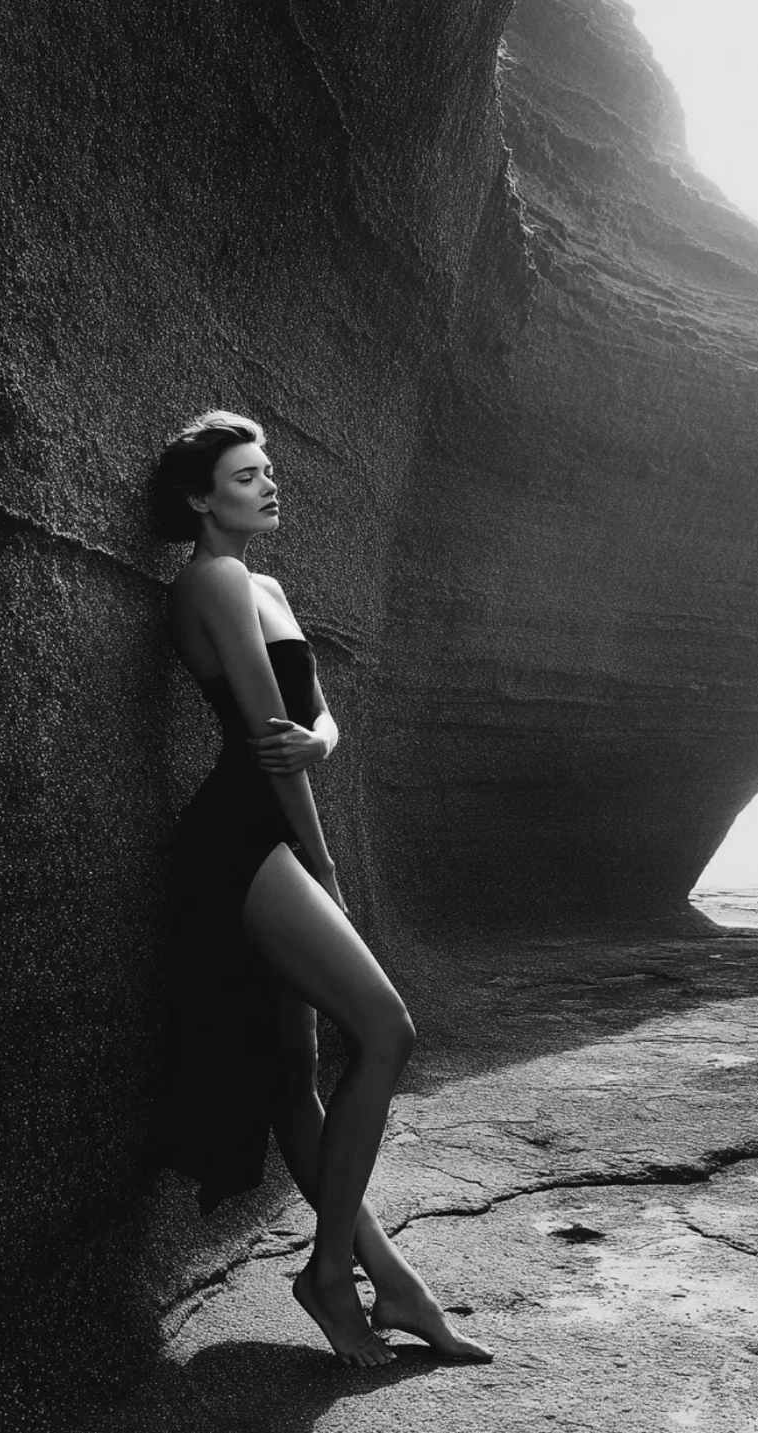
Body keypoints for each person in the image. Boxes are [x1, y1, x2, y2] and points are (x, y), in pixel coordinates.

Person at [150, 410, 492, 1369]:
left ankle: (392, 1280)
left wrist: (325, 740)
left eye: (268, 470)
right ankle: (331, 1273)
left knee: (297, 1082)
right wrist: (326, 863)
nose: (269, 484)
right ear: (200, 499)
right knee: (386, 1030)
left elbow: (315, 720)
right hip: (244, 838)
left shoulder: (264, 582)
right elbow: (268, 744)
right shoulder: (213, 579)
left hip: (270, 831)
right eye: (245, 475)